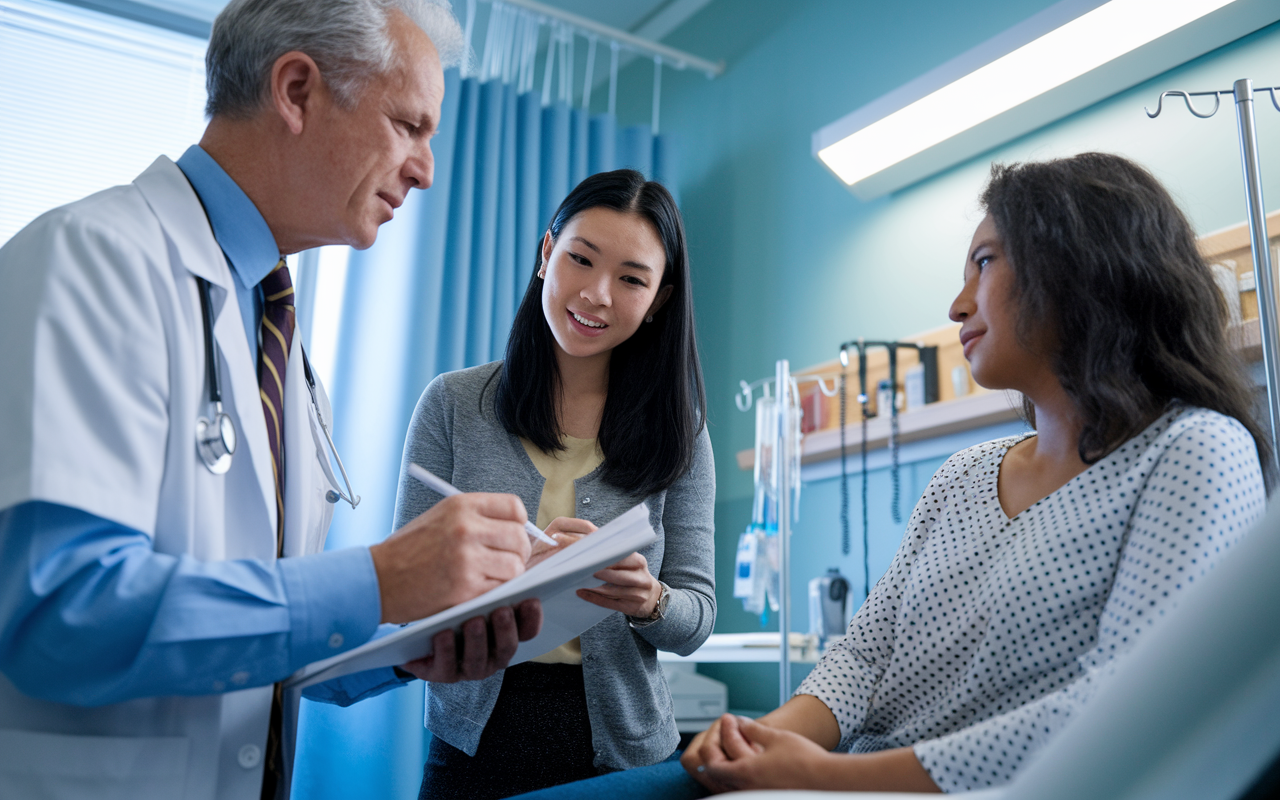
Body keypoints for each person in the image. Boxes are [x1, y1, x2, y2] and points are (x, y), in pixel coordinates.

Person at [505, 152, 1271, 799]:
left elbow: (1122, 710)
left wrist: (825, 777)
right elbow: (864, 659)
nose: (957, 302)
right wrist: (757, 743)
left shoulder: (1196, 452)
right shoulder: (966, 475)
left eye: (983, 263)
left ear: (1078, 269)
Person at [0, 2, 542, 798]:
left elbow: (251, 635)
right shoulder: (95, 258)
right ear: (296, 90)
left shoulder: (274, 335)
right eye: (408, 125)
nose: (426, 169)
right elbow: (58, 611)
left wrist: (403, 636)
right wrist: (376, 582)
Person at [392, 169, 716, 799]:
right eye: (581, 259)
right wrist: (505, 574)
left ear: (659, 300)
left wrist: (646, 597)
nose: (597, 294)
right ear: (546, 256)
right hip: (471, 745)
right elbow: (405, 600)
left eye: (630, 279)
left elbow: (696, 618)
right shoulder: (454, 404)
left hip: (625, 755)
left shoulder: (683, 434)